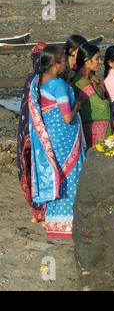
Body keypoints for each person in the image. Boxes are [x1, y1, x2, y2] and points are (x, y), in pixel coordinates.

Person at [28, 45, 85, 237]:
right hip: (65, 138)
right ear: (54, 65)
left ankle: (55, 222)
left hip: (53, 138)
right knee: (71, 176)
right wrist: (77, 105)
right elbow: (67, 117)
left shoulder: (40, 82)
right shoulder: (58, 85)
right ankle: (69, 222)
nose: (66, 63)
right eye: (62, 60)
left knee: (58, 176)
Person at [18, 41, 47, 225]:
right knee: (43, 170)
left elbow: (23, 111)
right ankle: (42, 212)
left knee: (32, 169)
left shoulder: (31, 79)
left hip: (27, 132)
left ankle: (35, 212)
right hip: (41, 132)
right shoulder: (44, 79)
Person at [71, 42, 114, 148]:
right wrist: (106, 102)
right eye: (97, 59)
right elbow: (101, 106)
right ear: (87, 61)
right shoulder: (80, 82)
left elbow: (102, 91)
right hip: (90, 130)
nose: (100, 61)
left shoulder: (89, 78)